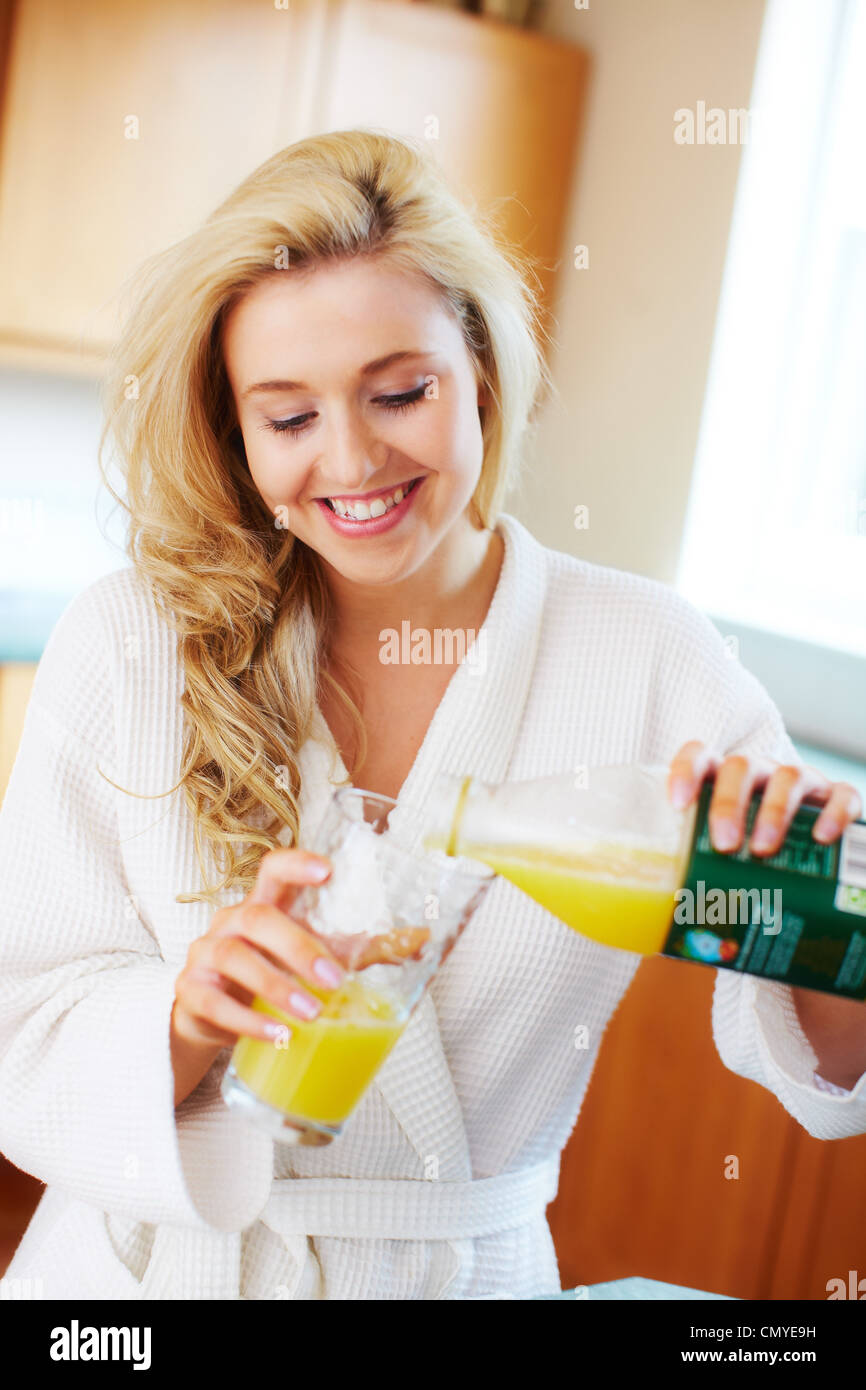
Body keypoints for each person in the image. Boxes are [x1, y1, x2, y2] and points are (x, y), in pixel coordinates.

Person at [0, 129, 863, 1301]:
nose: (351, 459)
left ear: (484, 373)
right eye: (288, 418)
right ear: (233, 427)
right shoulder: (132, 640)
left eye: (399, 392)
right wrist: (189, 1015)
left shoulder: (645, 656)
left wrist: (810, 915)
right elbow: (22, 1027)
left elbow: (818, 1068)